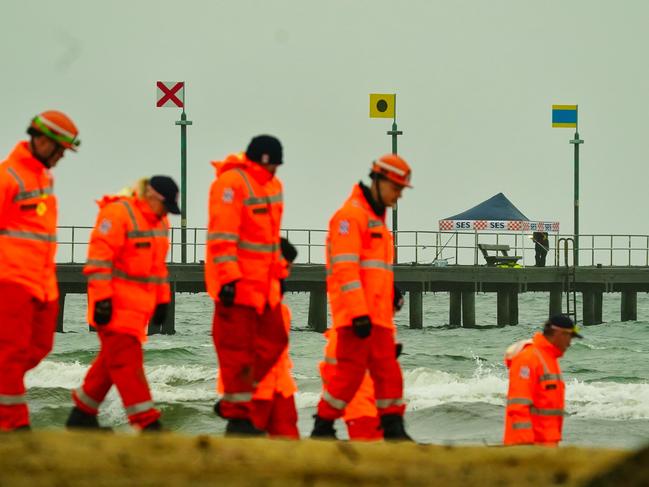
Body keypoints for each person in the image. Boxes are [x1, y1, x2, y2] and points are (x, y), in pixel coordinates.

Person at [311, 154, 413, 441]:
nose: (398, 197)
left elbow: (375, 270)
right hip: (358, 317)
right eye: (396, 189)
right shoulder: (350, 217)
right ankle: (322, 426)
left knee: (389, 373)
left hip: (378, 316)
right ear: (378, 181)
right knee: (348, 376)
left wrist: (391, 293)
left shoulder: (374, 220)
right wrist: (358, 313)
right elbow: (345, 269)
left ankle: (394, 429)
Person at [65, 176, 180, 431]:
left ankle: (81, 415)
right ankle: (147, 423)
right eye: (165, 207)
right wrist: (103, 300)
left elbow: (157, 268)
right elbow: (99, 260)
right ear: (150, 196)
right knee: (127, 363)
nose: (166, 213)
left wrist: (162, 301)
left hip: (138, 310)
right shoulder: (118, 213)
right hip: (113, 305)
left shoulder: (160, 224)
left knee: (110, 362)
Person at [0, 111, 80, 431]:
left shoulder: (44, 178)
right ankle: (13, 425)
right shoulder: (8, 177)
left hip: (42, 282)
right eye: (60, 149)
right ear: (42, 140)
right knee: (11, 351)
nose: (61, 156)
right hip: (11, 278)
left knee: (39, 347)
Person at [206, 135, 289, 436]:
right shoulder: (231, 183)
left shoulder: (273, 186)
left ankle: (231, 403)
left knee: (276, 341)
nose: (276, 172)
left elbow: (270, 238)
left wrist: (280, 272)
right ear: (263, 160)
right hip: (237, 286)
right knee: (236, 354)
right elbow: (222, 234)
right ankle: (239, 419)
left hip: (265, 287)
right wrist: (228, 277)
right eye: (273, 166)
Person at [216, 237, 299, 438]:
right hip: (255, 393)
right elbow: (236, 350)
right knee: (242, 451)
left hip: (280, 388)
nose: (287, 272)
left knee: (290, 447)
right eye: (286, 266)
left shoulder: (281, 308)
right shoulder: (249, 301)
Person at [319, 286, 405, 441]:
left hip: (368, 405)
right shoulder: (360, 330)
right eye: (392, 310)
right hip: (361, 406)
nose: (392, 315)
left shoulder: (376, 329)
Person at [503, 314, 582, 446]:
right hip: (528, 447)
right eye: (569, 337)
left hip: (546, 444)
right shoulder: (528, 359)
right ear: (558, 333)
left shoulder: (549, 359)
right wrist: (524, 444)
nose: (569, 343)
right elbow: (518, 405)